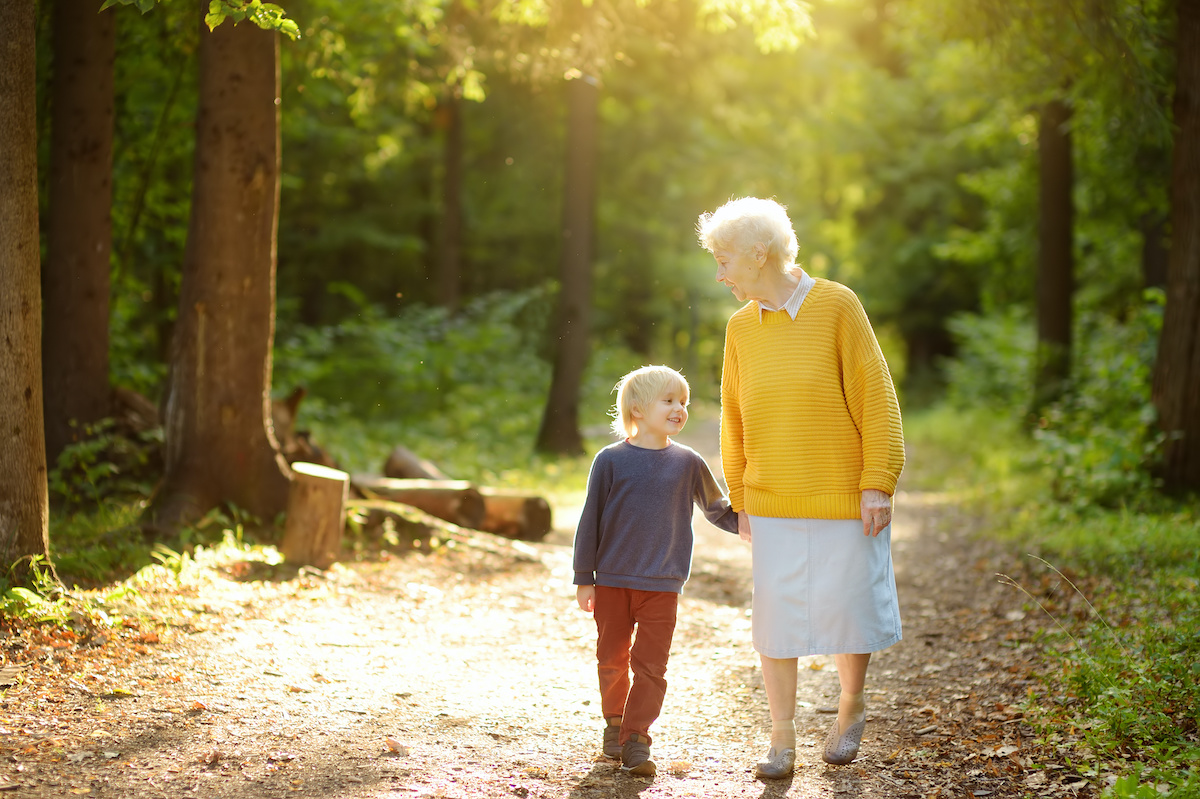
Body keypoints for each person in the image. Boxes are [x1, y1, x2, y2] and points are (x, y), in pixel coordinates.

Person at [696, 197, 905, 778]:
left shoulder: (837, 305)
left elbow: (874, 393)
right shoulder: (740, 327)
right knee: (776, 618)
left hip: (843, 492)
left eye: (724, 260)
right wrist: (738, 497)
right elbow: (732, 417)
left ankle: (850, 706)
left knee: (849, 607)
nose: (720, 274)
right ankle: (781, 737)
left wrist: (877, 482)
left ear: (759, 253)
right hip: (771, 497)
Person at [573, 365, 739, 777]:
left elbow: (719, 510)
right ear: (638, 409)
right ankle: (615, 723)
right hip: (612, 580)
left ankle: (636, 738)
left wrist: (755, 524)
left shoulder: (688, 463)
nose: (679, 409)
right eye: (668, 400)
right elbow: (589, 519)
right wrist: (584, 578)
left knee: (652, 666)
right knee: (611, 658)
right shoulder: (610, 460)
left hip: (663, 583)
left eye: (683, 402)